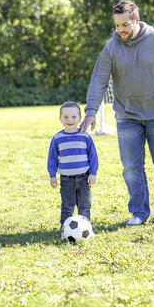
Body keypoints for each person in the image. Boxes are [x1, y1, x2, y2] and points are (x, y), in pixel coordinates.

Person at [79, 0, 154, 226]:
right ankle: (139, 212)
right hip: (127, 117)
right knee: (131, 168)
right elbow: (99, 80)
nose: (121, 30)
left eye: (125, 25)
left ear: (136, 20)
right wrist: (91, 111)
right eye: (117, 25)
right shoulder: (112, 46)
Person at [48, 101, 99, 236]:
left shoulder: (85, 136)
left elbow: (93, 157)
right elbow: (52, 158)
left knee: (85, 206)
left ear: (80, 119)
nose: (70, 120)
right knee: (67, 206)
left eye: (73, 117)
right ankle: (65, 230)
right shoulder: (57, 138)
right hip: (66, 179)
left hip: (84, 177)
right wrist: (52, 175)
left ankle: (87, 229)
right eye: (66, 117)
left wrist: (92, 174)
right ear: (60, 119)